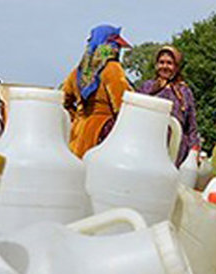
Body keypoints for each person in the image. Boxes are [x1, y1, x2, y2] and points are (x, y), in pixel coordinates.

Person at [62, 24, 132, 158]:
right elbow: (123, 106)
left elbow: (63, 100)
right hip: (100, 137)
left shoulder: (78, 72)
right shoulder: (112, 69)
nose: (118, 50)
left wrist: (76, 116)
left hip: (76, 136)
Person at [136, 45, 200, 167]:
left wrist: (194, 149)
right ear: (156, 65)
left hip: (175, 149)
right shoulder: (147, 87)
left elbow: (191, 125)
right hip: (147, 145)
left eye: (169, 63)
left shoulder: (184, 92)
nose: (165, 66)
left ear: (176, 67)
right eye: (161, 62)